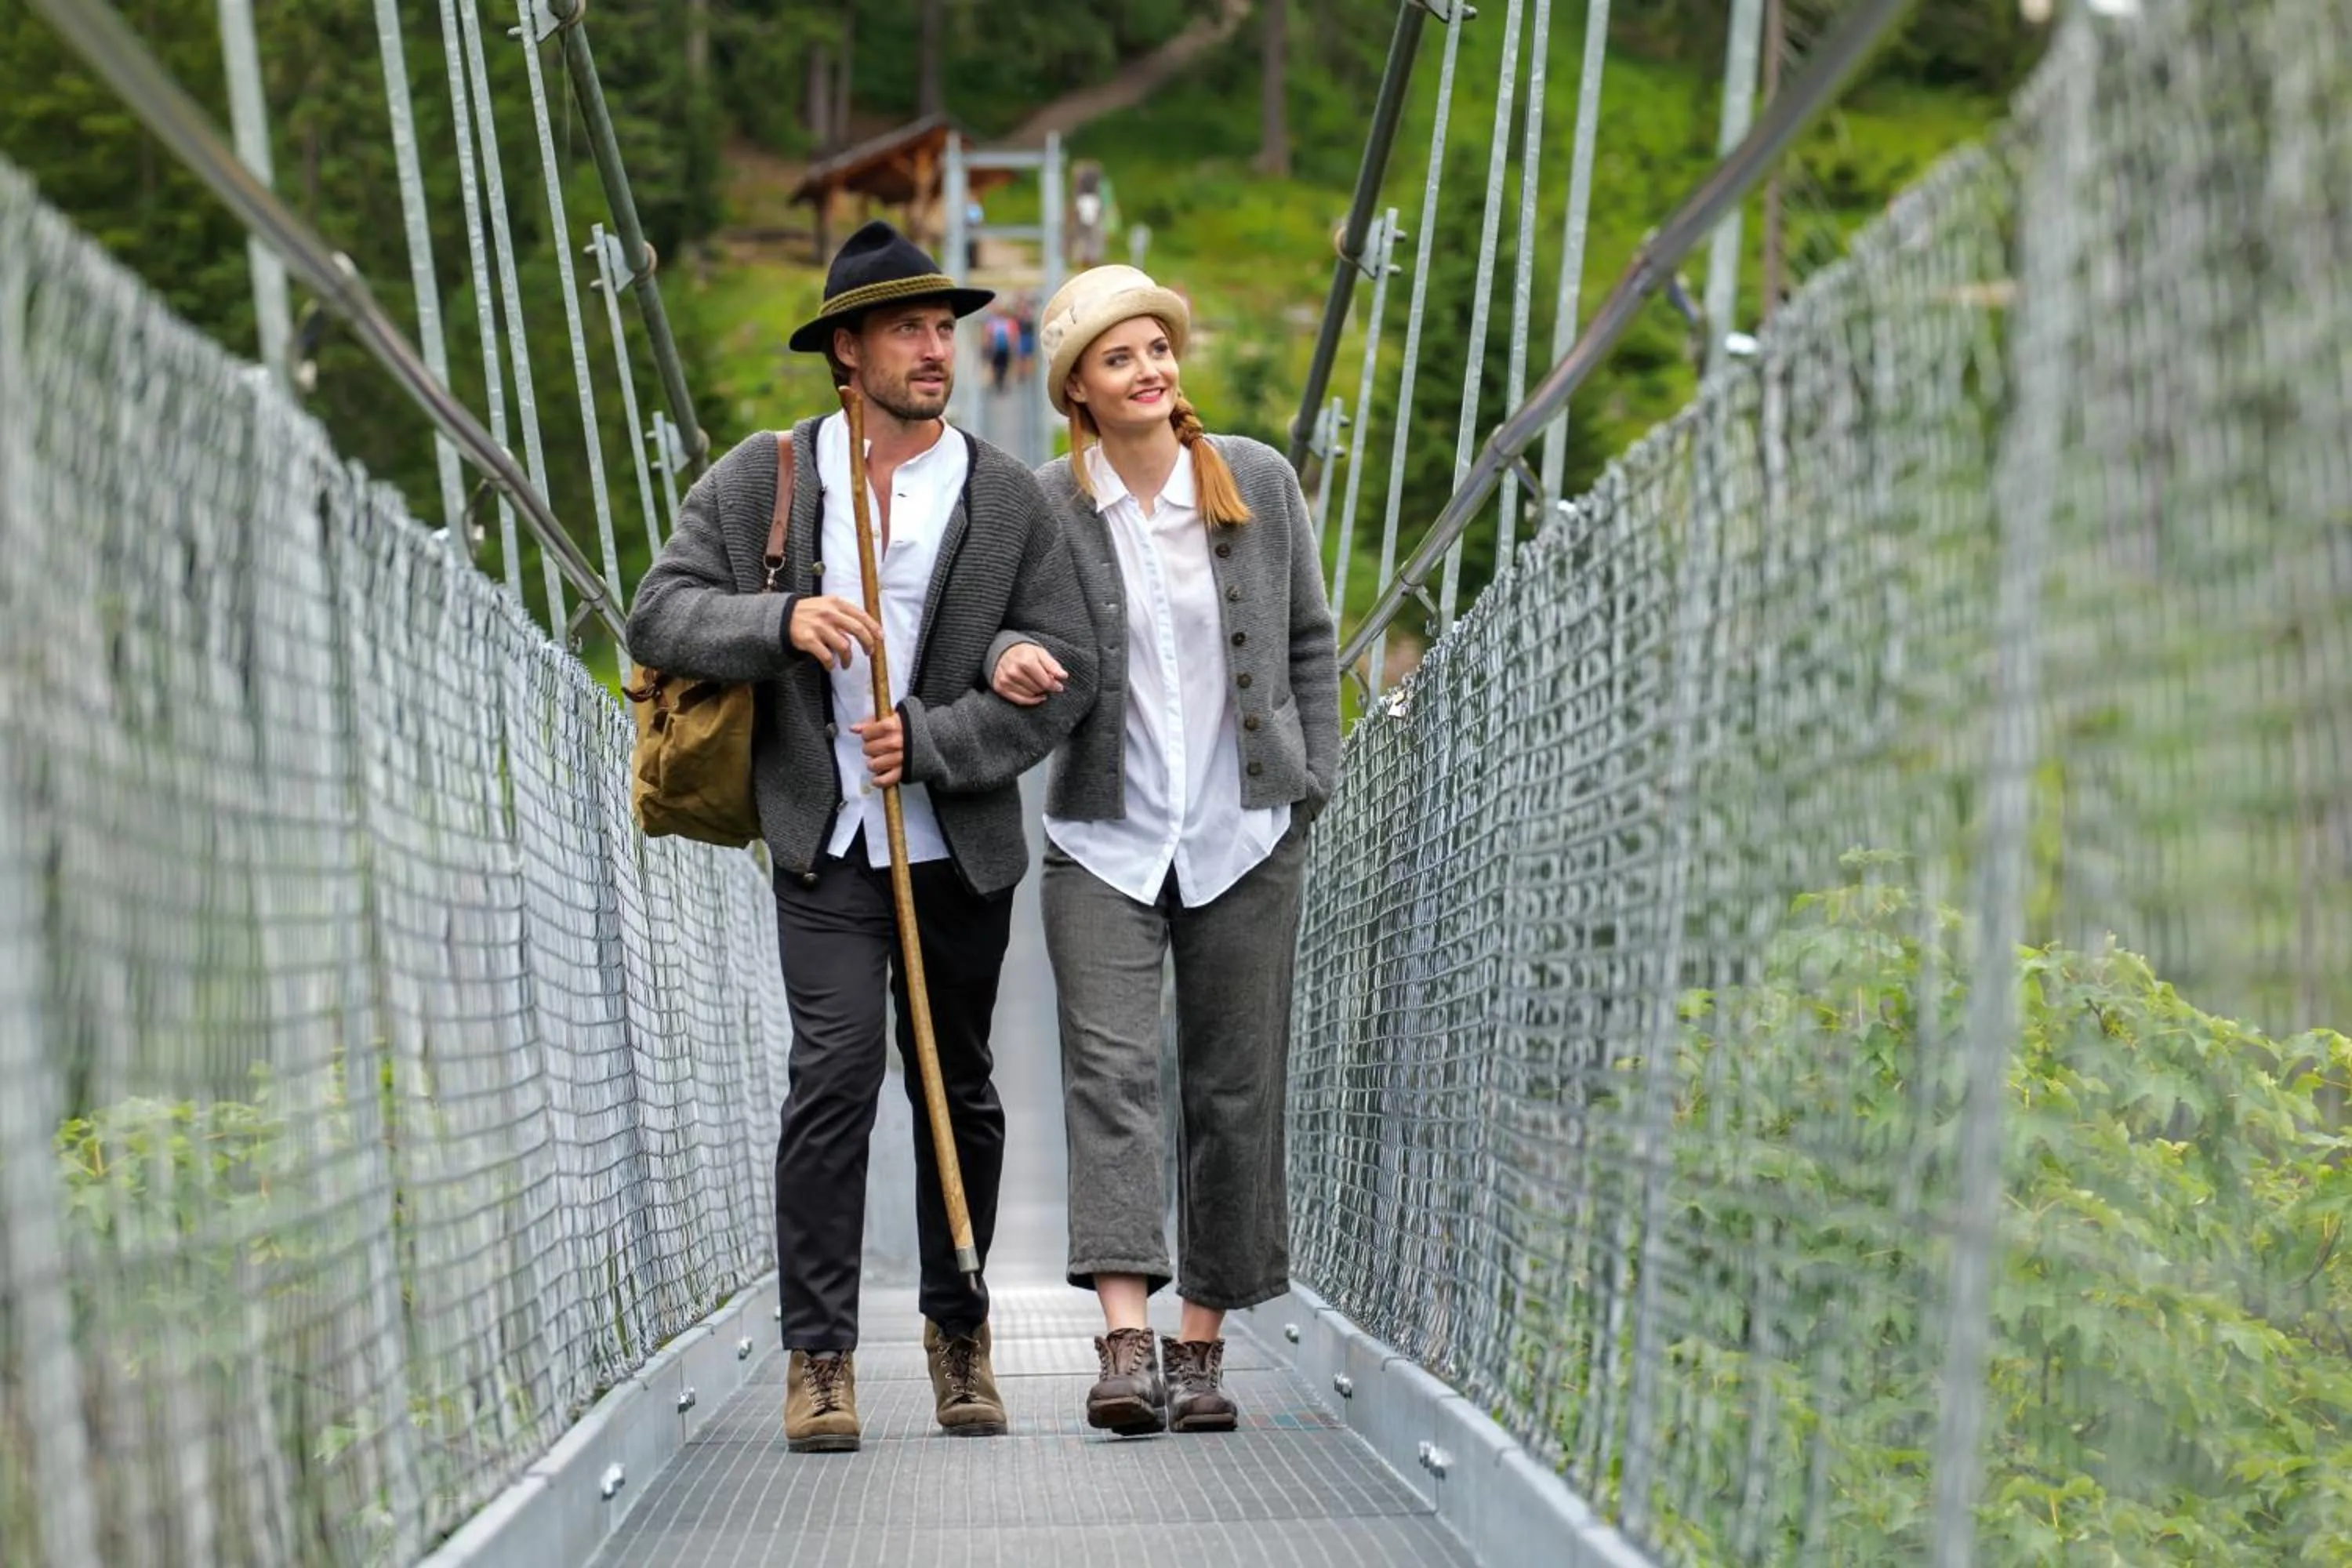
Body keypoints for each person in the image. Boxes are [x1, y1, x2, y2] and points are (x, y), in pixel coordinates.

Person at [626, 220, 1098, 1455]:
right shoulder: (768, 476)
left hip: (957, 848)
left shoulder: (1004, 495)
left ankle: (960, 1333)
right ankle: (821, 1357)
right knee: (831, 1079)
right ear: (847, 351)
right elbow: (660, 611)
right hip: (823, 840)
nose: (935, 350)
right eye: (907, 329)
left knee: (963, 1090)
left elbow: (1068, 672)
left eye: (944, 328)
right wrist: (783, 623)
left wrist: (935, 742)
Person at [990, 265, 1341, 1435]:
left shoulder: (1256, 481)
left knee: (1235, 1091)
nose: (1150, 371)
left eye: (1158, 349)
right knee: (1112, 1081)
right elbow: (992, 634)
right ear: (1078, 390)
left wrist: (1311, 785)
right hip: (1105, 836)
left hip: (1246, 834)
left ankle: (1201, 1351)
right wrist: (1003, 664)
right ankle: (1124, 1341)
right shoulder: (1043, 505)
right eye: (1119, 358)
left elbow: (1309, 643)